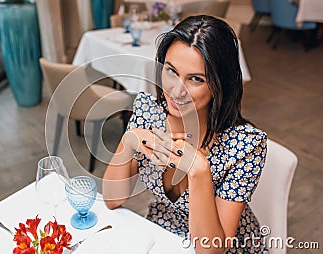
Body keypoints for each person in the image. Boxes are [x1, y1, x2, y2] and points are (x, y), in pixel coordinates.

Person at [103, 15, 267, 253]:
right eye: (171, 71)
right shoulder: (148, 111)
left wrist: (199, 172)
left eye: (196, 79)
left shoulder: (246, 145)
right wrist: (128, 143)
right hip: (162, 235)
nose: (177, 91)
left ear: (220, 83)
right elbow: (112, 199)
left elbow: (211, 250)